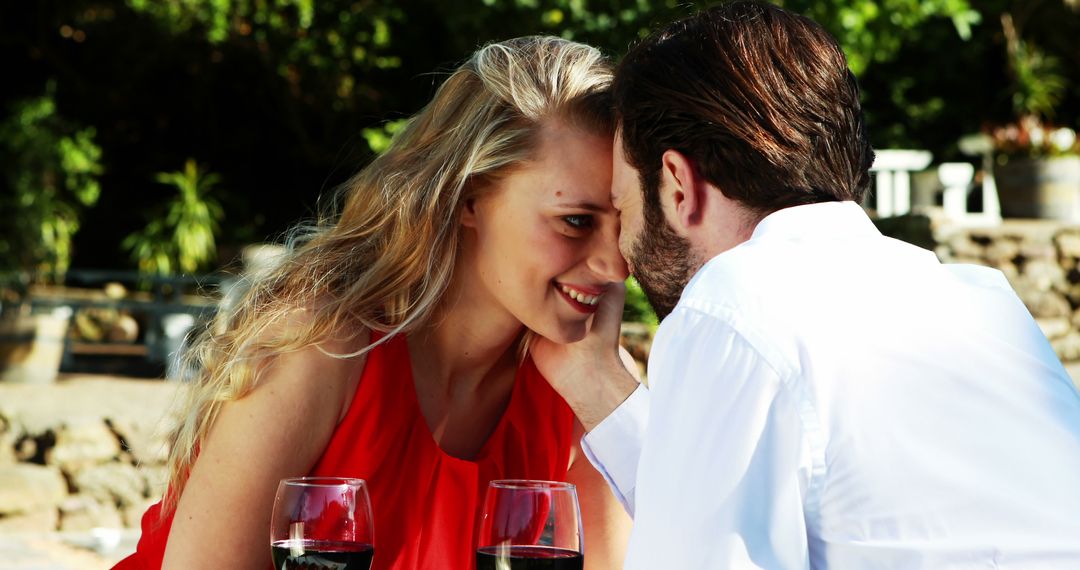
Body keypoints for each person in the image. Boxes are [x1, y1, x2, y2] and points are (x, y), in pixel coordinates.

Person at [531, 2, 1080, 568]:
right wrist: (597, 381)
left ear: (676, 185)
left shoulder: (731, 305)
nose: (618, 261)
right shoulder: (985, 304)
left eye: (622, 208)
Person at [115, 36, 632, 570]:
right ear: (468, 197)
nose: (616, 267)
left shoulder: (584, 382)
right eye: (576, 221)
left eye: (627, 223)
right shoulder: (320, 343)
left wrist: (603, 390)